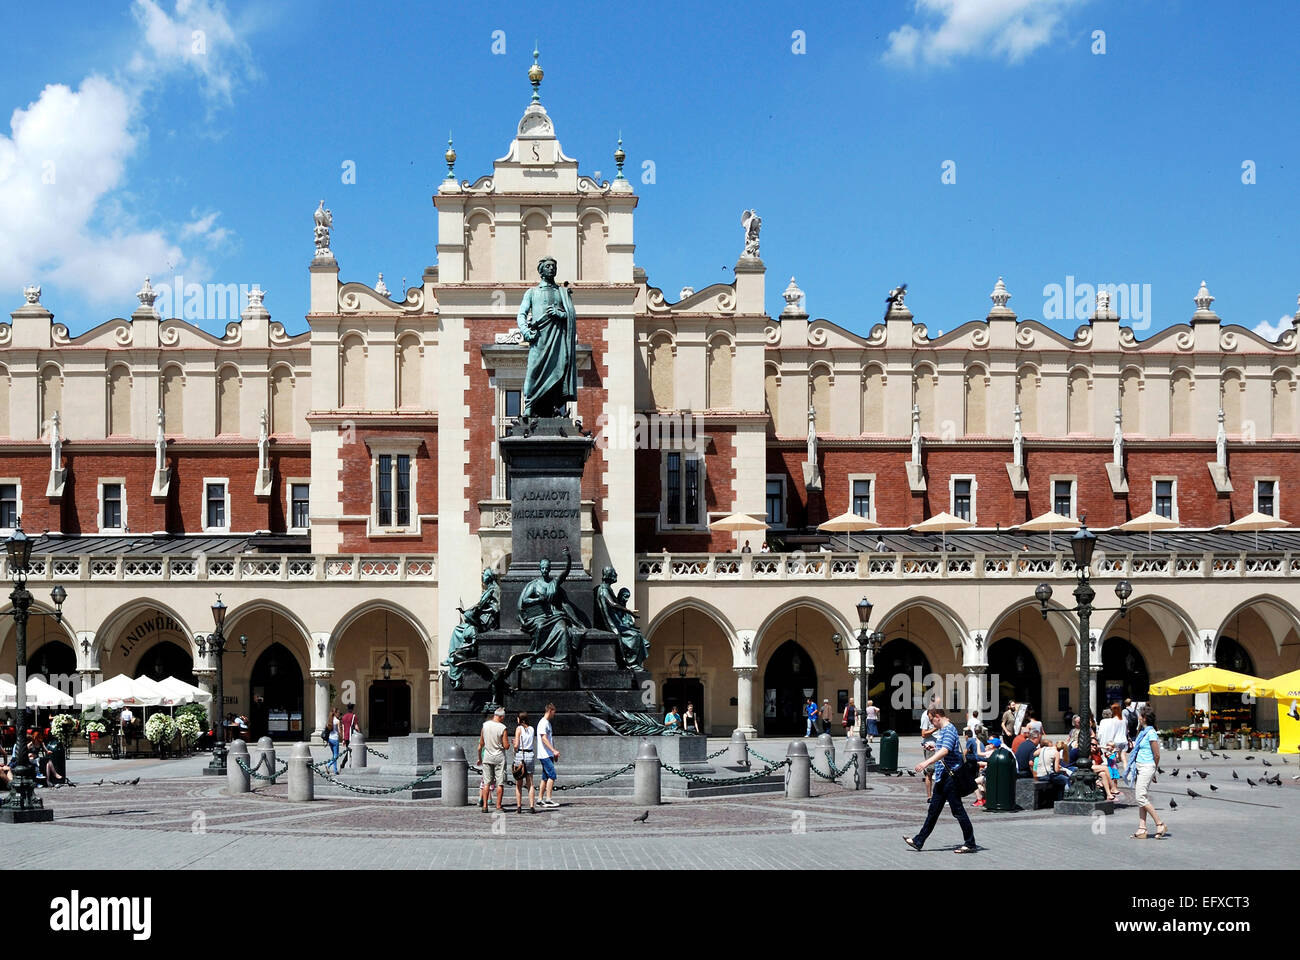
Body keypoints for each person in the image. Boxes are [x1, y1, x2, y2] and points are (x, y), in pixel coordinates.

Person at [903, 708, 977, 854]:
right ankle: (919, 841)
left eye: (931, 720)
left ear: (937, 717)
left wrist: (925, 763)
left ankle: (970, 843)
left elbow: (946, 751)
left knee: (958, 810)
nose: (931, 723)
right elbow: (943, 748)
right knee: (933, 810)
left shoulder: (948, 729)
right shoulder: (943, 731)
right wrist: (934, 746)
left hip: (951, 777)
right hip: (943, 776)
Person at [1128, 707, 1167, 839]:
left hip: (1147, 766)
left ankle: (1159, 823)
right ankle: (1142, 828)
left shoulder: (1151, 733)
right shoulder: (1143, 731)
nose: (1138, 718)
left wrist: (1153, 770)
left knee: (1140, 797)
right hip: (1140, 767)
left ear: (1144, 718)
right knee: (1141, 797)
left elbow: (1157, 754)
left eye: (1140, 716)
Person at [477, 707, 511, 813]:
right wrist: (510, 743)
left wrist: (480, 758)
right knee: (499, 783)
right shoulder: (502, 727)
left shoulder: (485, 725)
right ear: (501, 717)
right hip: (499, 757)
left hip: (487, 756)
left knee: (486, 783)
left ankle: (485, 806)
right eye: (503, 717)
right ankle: (498, 806)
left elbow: (481, 743)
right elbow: (506, 746)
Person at [513, 711, 537, 814]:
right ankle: (531, 806)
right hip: (530, 755)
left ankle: (519, 806)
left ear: (520, 719)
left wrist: (514, 743)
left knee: (519, 783)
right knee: (530, 782)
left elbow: (516, 745)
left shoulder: (519, 729)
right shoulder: (531, 729)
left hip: (520, 756)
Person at [537, 703, 559, 808]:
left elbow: (550, 739)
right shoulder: (543, 723)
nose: (554, 714)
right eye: (554, 711)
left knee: (545, 777)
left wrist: (553, 752)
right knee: (552, 775)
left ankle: (540, 799)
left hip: (548, 754)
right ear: (550, 710)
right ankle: (548, 798)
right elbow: (544, 738)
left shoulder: (547, 723)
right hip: (544, 754)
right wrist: (553, 750)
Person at [920, 706, 938, 799]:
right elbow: (923, 734)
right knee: (930, 771)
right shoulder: (926, 715)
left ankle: (941, 796)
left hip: (939, 746)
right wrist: (935, 729)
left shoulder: (939, 714)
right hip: (930, 745)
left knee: (941, 772)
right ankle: (929, 797)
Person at [338, 703, 360, 770]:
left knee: (349, 751)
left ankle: (347, 764)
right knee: (350, 751)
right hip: (352, 736)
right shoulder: (354, 716)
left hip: (346, 736)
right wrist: (359, 733)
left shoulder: (344, 717)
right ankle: (343, 764)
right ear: (353, 708)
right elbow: (356, 727)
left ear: (347, 708)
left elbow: (343, 727)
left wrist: (343, 738)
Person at [325, 708, 341, 774]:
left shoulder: (329, 721)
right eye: (338, 713)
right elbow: (339, 731)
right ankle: (328, 765)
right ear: (336, 713)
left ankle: (335, 770)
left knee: (334, 755)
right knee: (336, 756)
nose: (339, 714)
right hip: (335, 739)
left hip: (330, 739)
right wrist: (342, 737)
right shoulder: (337, 721)